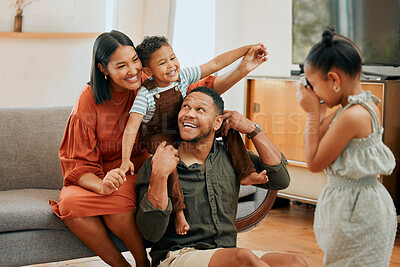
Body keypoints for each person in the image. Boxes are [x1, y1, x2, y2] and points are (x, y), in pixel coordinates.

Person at [49, 30, 272, 267]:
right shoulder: (89, 98)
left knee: (117, 208)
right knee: (70, 203)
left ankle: (142, 263)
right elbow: (76, 161)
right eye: (121, 66)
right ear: (103, 69)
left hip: (134, 169)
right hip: (96, 175)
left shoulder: (150, 83)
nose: (133, 70)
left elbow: (207, 87)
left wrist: (244, 67)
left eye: (135, 61)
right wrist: (102, 185)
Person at [136, 87, 308, 267]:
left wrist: (252, 129)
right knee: (244, 259)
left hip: (226, 252)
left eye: (200, 109)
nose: (189, 114)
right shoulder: (160, 162)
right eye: (185, 107)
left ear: (217, 122)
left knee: (295, 263)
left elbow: (280, 179)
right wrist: (159, 176)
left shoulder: (231, 156)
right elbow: (151, 232)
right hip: (178, 255)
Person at [121, 35, 268, 236]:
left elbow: (215, 63)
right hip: (158, 136)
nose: (171, 65)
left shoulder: (183, 76)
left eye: (172, 58)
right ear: (148, 71)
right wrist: (124, 160)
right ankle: (179, 212)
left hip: (182, 127)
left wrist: (247, 49)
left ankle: (246, 173)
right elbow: (131, 127)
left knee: (225, 123)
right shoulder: (145, 95)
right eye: (162, 63)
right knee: (169, 159)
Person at [296, 27, 396, 266]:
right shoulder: (354, 106)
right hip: (351, 204)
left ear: (334, 79)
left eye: (313, 84)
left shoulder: (353, 116)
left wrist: (311, 114)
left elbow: (314, 162)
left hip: (359, 211)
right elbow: (317, 140)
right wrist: (318, 111)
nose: (313, 92)